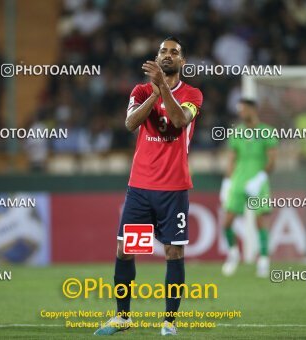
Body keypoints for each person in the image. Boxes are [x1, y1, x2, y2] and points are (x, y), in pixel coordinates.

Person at [94, 37, 203, 336]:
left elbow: (180, 120)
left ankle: (169, 322)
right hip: (141, 187)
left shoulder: (193, 93)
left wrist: (164, 89)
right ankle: (122, 317)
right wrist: (155, 93)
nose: (168, 55)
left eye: (175, 52)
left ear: (183, 61)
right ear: (156, 58)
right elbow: (130, 123)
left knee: (173, 254)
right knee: (126, 250)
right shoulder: (141, 90)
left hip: (174, 188)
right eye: (163, 51)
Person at [219, 99, 277, 278]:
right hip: (238, 181)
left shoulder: (267, 132)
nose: (241, 113)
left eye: (244, 109)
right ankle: (233, 254)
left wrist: (259, 179)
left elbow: (272, 161)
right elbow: (232, 159)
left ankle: (264, 259)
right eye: (240, 110)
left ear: (253, 109)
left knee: (260, 221)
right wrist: (227, 182)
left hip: (258, 182)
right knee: (227, 222)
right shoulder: (236, 133)